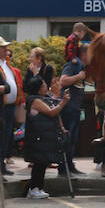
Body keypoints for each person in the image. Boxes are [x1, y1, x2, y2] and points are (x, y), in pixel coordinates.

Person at [22, 77, 69, 199]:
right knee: (39, 163)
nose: (46, 87)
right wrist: (63, 102)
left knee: (43, 162)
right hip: (37, 137)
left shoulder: (42, 98)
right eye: (43, 86)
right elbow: (51, 112)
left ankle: (39, 187)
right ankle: (33, 188)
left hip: (43, 136)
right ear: (37, 89)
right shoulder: (35, 101)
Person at [0, 36, 22, 174]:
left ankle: (2, 165)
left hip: (9, 106)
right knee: (0, 138)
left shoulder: (5, 63)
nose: (6, 49)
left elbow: (9, 85)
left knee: (7, 137)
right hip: (0, 107)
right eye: (3, 47)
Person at [58, 38, 87, 175]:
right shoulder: (73, 65)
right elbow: (63, 81)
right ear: (83, 54)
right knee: (67, 138)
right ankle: (63, 167)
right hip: (68, 108)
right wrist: (78, 77)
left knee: (74, 139)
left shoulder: (81, 66)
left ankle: (70, 165)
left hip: (76, 109)